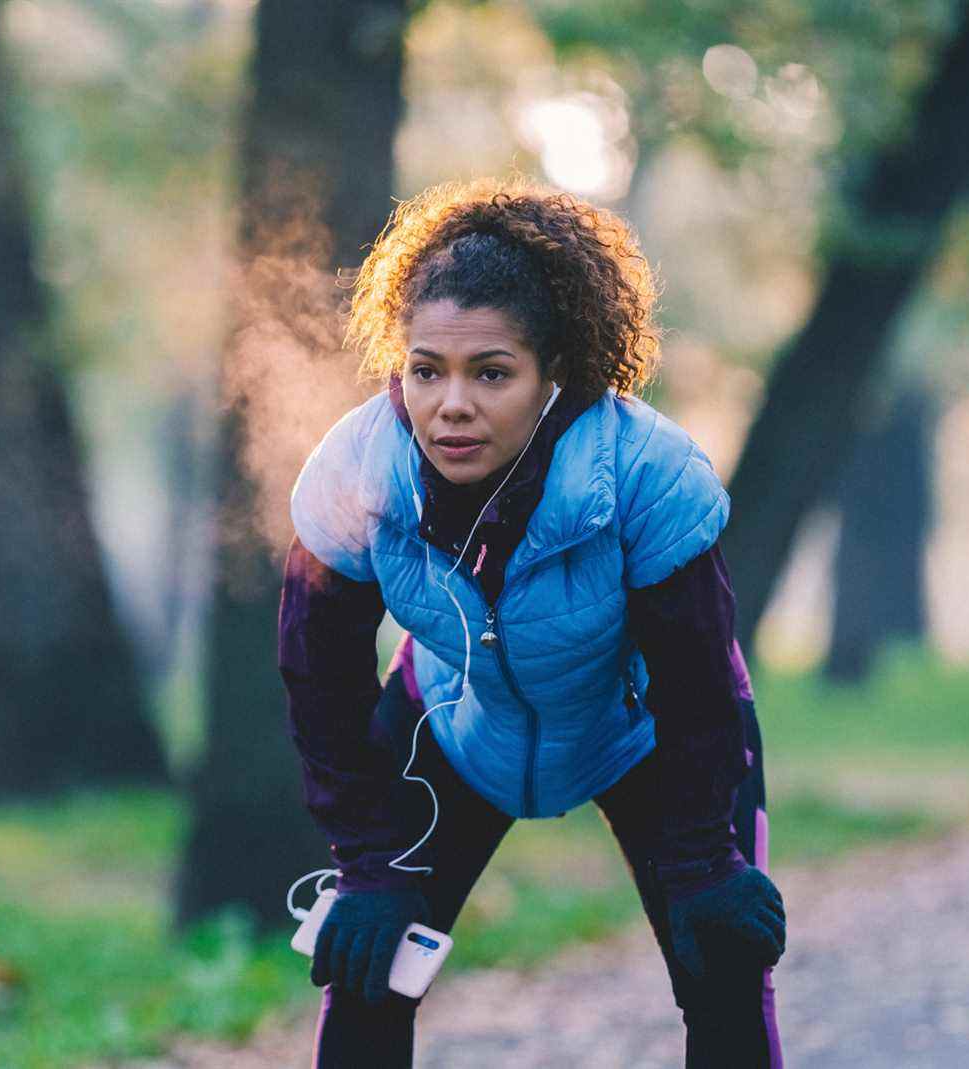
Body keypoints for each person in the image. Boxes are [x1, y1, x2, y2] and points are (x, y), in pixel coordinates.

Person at [279, 176, 785, 1067]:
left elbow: (702, 681)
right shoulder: (356, 472)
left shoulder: (646, 474)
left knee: (723, 966)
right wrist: (366, 859)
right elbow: (318, 679)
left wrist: (706, 860)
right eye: (425, 369)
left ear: (559, 375)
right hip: (456, 730)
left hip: (643, 735)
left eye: (492, 373)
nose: (452, 405)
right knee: (365, 968)